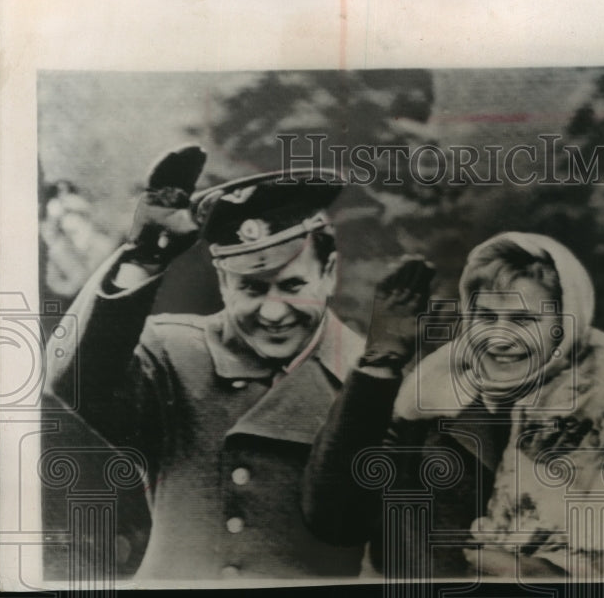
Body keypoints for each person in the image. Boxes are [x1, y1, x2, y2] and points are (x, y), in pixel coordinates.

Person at [43, 146, 433, 580]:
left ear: (329, 272)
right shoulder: (173, 353)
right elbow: (74, 383)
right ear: (223, 285)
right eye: (251, 288)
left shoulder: (376, 376)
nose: (273, 312)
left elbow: (366, 528)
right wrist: (144, 255)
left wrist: (376, 376)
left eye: (292, 285)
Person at [304, 232, 604, 580]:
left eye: (524, 320)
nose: (500, 338)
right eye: (486, 317)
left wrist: (551, 574)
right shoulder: (421, 412)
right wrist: (379, 361)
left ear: (564, 327)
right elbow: (335, 523)